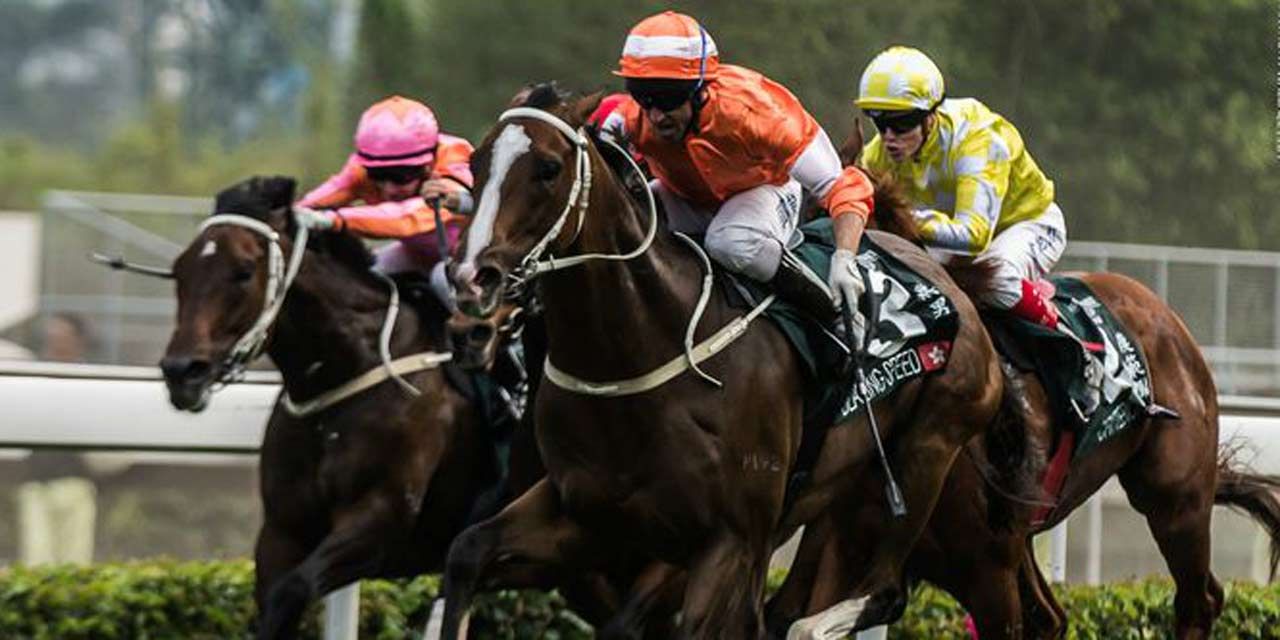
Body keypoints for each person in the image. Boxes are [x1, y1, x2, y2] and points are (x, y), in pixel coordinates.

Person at [602, 11, 875, 329]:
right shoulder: (628, 119)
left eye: (668, 98)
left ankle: (833, 315)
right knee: (621, 224)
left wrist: (844, 258)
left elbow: (841, 184)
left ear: (700, 88)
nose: (656, 116)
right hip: (686, 196)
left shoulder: (756, 113)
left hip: (765, 189)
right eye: (643, 97)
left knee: (730, 242)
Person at [855, 46, 1065, 328]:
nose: (889, 138)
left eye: (901, 125)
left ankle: (1068, 340)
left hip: (1026, 224)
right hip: (951, 238)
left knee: (998, 280)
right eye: (880, 124)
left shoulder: (977, 142)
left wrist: (905, 220)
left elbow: (974, 236)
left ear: (930, 116)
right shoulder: (878, 153)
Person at [294, 95, 474, 308]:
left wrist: (334, 220)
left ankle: (488, 329)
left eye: (401, 176)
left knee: (442, 278)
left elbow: (407, 218)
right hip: (415, 255)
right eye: (378, 175)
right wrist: (289, 212)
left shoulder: (455, 164)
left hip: (474, 260)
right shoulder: (362, 166)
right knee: (362, 276)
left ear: (428, 165)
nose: (388, 188)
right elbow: (319, 199)